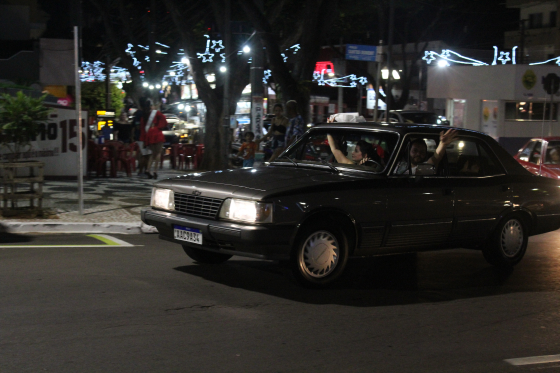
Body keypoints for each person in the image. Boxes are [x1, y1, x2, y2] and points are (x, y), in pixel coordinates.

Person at [394, 129, 458, 175]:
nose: (418, 154)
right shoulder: (398, 164)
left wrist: (443, 144)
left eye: (422, 152)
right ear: (409, 151)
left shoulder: (424, 168)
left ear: (425, 154)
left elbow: (436, 158)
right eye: (415, 151)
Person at [139, 99, 168, 179]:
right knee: (158, 152)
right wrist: (159, 126)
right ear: (151, 106)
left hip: (149, 134)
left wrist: (144, 139)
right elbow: (164, 120)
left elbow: (142, 128)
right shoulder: (156, 113)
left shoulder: (144, 115)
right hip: (157, 133)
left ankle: (148, 169)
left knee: (152, 153)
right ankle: (155, 171)